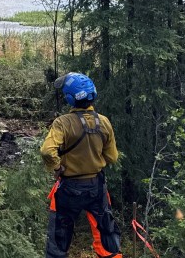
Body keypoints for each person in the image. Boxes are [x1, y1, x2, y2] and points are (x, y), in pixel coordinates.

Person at [40, 72, 123, 258]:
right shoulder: (104, 122)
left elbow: (47, 151)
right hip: (96, 187)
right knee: (106, 236)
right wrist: (93, 158)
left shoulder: (62, 123)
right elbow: (112, 157)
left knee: (58, 241)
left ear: (70, 99)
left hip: (69, 188)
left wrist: (57, 167)